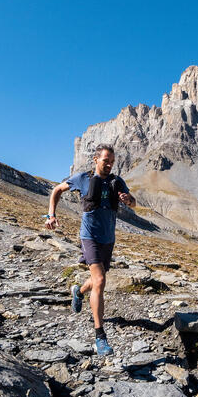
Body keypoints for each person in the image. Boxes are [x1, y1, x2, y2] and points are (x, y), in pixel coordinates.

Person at [45, 144, 135, 357]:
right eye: (106, 160)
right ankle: (100, 337)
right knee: (101, 281)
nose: (109, 163)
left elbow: (133, 203)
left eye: (112, 160)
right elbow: (57, 190)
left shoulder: (117, 181)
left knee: (97, 279)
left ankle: (78, 290)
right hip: (89, 237)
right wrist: (51, 215)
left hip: (108, 239)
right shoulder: (82, 178)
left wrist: (128, 200)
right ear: (96, 160)